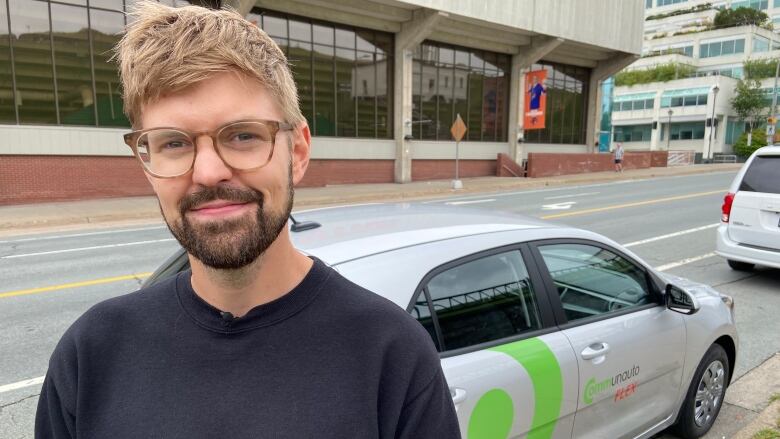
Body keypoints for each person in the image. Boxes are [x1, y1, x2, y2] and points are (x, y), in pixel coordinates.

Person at [34, 3, 461, 438]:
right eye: (173, 143)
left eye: (242, 135)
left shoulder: (391, 355)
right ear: (146, 162)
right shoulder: (91, 354)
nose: (207, 172)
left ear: (297, 152)